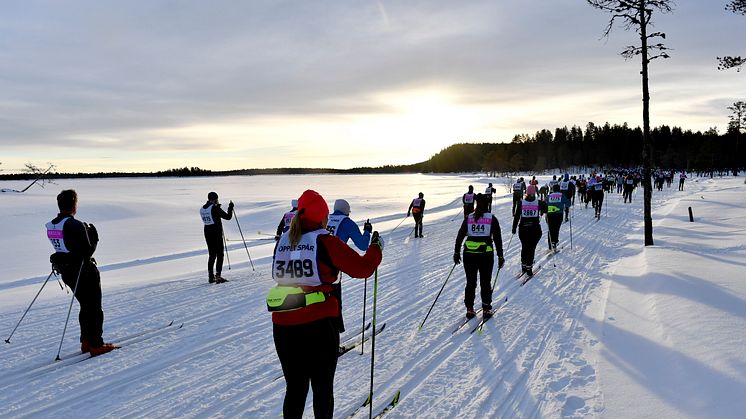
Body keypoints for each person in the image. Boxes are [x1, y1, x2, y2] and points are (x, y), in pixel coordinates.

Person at [267, 189, 383, 419]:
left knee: (295, 388)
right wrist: (376, 248)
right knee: (322, 389)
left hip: (283, 325)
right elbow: (362, 268)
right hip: (318, 326)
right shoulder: (324, 240)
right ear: (322, 216)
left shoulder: (283, 240)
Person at [47, 189, 115, 356]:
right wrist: (94, 237)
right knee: (94, 308)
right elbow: (87, 251)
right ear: (74, 205)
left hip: (67, 272)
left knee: (85, 306)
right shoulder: (75, 225)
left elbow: (63, 247)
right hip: (84, 272)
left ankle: (86, 341)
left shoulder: (52, 225)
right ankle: (96, 344)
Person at [453, 194, 505, 319]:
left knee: (471, 282)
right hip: (485, 255)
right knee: (485, 282)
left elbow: (460, 235)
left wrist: (456, 252)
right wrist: (500, 255)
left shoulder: (469, 217)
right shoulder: (492, 218)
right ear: (487, 204)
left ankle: (470, 308)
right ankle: (486, 308)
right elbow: (497, 238)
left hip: (469, 254)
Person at [326, 198, 373, 332]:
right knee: (335, 304)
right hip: (334, 270)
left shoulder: (325, 219)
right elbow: (363, 245)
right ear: (347, 211)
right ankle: (334, 341)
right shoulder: (347, 223)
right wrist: (367, 231)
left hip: (317, 268)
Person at [512, 185, 547, 277]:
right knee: (531, 248)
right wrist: (544, 204)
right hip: (534, 229)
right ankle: (529, 268)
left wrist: (514, 228)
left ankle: (524, 265)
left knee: (525, 247)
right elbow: (546, 210)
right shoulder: (538, 202)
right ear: (534, 193)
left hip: (523, 229)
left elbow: (516, 217)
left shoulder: (521, 203)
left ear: (526, 193)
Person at [201, 191, 234, 283]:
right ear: (215, 199)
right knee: (220, 254)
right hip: (216, 233)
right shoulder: (215, 208)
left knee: (212, 255)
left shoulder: (203, 208)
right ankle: (218, 276)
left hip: (207, 232)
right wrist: (230, 207)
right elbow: (228, 217)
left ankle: (211, 277)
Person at [546, 184, 570, 251]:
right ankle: (555, 242)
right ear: (559, 189)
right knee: (556, 228)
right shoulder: (561, 195)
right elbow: (568, 204)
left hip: (549, 215)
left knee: (550, 229)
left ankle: (550, 244)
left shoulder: (549, 196)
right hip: (558, 215)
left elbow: (545, 203)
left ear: (553, 189)